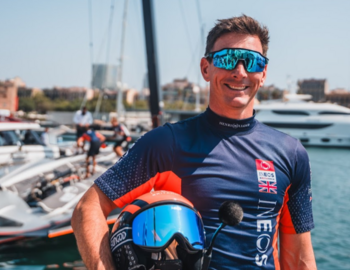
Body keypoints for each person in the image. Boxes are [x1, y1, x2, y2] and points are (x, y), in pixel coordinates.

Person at [72, 15, 316, 270]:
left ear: (263, 72)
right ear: (206, 68)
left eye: (253, 62)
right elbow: (88, 208)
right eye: (227, 59)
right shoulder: (168, 143)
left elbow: (300, 256)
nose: (240, 71)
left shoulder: (291, 154)